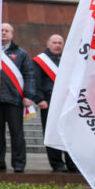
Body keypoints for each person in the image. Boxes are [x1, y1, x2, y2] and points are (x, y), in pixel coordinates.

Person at [0, 23, 33, 173]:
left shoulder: (21, 54)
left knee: (16, 133)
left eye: (6, 31)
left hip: (15, 100)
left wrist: (28, 95)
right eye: (0, 30)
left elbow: (29, 75)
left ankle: (19, 163)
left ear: (12, 35)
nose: (3, 33)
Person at [32, 34, 76, 172]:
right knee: (52, 132)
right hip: (49, 103)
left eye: (60, 43)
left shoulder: (69, 60)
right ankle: (56, 163)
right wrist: (39, 99)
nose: (57, 45)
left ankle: (72, 162)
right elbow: (36, 81)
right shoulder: (40, 61)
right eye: (55, 42)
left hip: (68, 103)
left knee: (70, 133)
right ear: (48, 44)